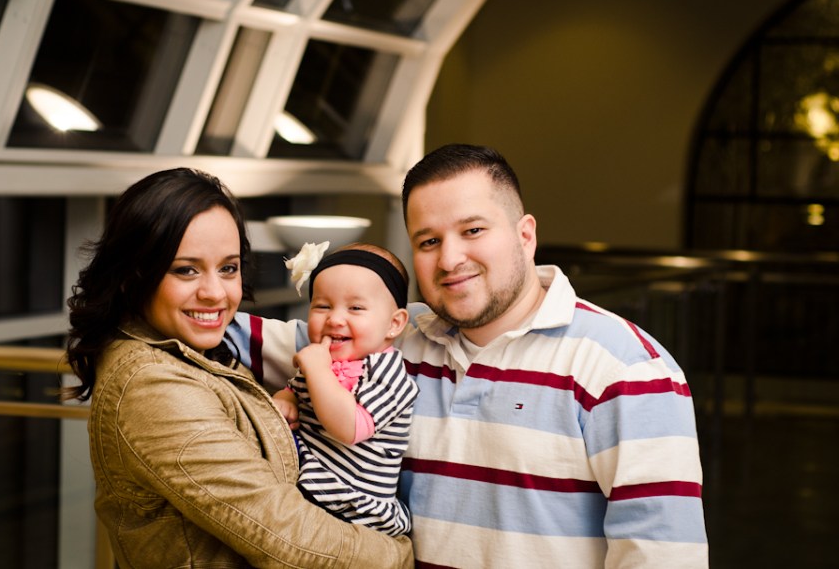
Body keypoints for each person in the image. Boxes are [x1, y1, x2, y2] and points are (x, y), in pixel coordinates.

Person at [64, 168, 413, 568]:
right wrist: (400, 556)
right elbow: (286, 536)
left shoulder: (200, 349)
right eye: (186, 269)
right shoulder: (150, 384)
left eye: (228, 268)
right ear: (133, 275)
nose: (215, 293)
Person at [395, 144, 708, 567]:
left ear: (525, 236)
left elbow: (662, 558)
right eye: (429, 241)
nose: (449, 259)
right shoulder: (395, 345)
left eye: (473, 230)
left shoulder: (625, 367)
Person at [272, 243, 419, 537]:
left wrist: (317, 370)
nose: (335, 319)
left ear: (394, 324)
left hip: (355, 509)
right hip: (310, 488)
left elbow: (349, 428)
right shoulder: (322, 360)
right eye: (322, 306)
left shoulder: (388, 373)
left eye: (355, 308)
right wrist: (286, 400)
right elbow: (293, 391)